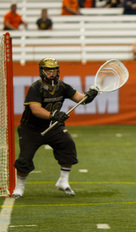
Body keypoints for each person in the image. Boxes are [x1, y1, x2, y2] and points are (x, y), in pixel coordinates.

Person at [11, 57, 98, 199]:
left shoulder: (63, 86)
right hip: (31, 129)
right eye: (48, 70)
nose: (52, 73)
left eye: (54, 70)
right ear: (42, 71)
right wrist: (54, 115)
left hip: (53, 126)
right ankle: (19, 187)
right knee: (24, 159)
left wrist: (90, 95)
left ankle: (63, 181)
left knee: (67, 144)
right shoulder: (35, 88)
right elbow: (36, 110)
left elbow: (80, 99)